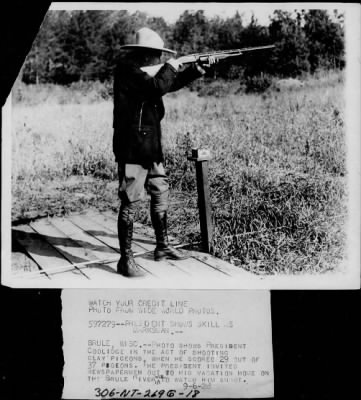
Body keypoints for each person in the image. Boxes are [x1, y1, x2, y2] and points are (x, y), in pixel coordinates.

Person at [113, 27, 214, 277]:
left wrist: (197, 69)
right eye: (157, 55)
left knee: (160, 190)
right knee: (130, 201)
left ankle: (163, 246)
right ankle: (126, 260)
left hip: (151, 145)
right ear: (145, 55)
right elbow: (157, 86)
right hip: (133, 147)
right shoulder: (129, 72)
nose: (159, 58)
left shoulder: (144, 74)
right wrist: (172, 65)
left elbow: (167, 84)